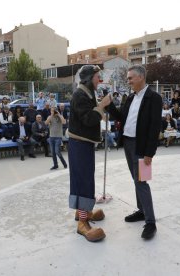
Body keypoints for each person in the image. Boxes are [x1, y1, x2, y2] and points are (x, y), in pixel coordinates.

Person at [107, 64, 162, 240]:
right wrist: (109, 106)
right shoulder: (130, 98)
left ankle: (150, 222)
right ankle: (141, 211)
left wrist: (149, 153)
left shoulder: (154, 98)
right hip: (129, 144)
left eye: (131, 78)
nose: (128, 81)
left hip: (142, 147)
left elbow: (155, 127)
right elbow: (121, 118)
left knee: (142, 182)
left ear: (141, 77)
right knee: (136, 180)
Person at [67, 64, 111, 242]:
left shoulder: (87, 92)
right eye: (96, 76)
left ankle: (82, 211)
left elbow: (91, 115)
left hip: (83, 144)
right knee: (84, 180)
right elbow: (89, 119)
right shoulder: (80, 95)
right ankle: (83, 223)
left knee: (84, 178)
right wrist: (102, 105)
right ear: (88, 78)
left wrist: (100, 106)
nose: (98, 80)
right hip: (79, 144)